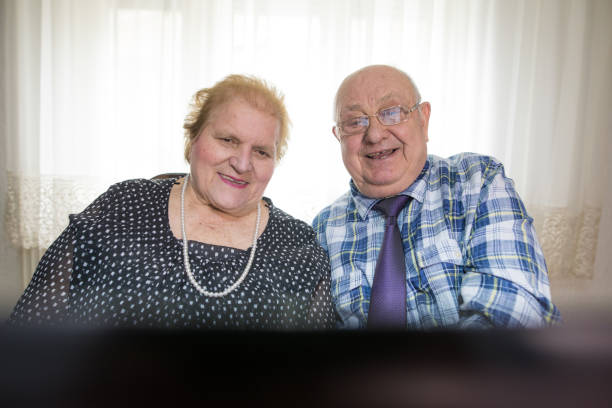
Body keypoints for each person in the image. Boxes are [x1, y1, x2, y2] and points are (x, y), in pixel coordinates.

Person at [10, 74, 334, 330]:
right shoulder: (122, 206)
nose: (243, 163)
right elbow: (32, 328)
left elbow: (317, 377)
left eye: (262, 151)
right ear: (193, 138)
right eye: (228, 140)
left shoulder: (298, 248)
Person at [312, 65, 561, 329]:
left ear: (423, 118)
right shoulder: (323, 228)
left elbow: (511, 311)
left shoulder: (478, 182)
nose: (374, 135)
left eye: (392, 113)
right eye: (355, 122)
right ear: (338, 136)